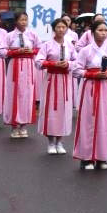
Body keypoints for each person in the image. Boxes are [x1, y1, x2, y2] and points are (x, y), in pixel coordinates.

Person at [72, 21, 107, 170]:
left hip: (106, 88)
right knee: (88, 120)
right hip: (90, 88)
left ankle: (102, 157)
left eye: (106, 30)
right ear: (92, 32)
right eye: (100, 30)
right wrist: (91, 74)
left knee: (105, 121)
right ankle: (86, 158)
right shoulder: (85, 51)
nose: (104, 33)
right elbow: (76, 70)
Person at [36, 18, 75, 155]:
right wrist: (52, 64)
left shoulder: (70, 45)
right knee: (51, 109)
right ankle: (51, 141)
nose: (61, 29)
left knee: (64, 110)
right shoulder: (47, 45)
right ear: (54, 29)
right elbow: (39, 61)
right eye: (58, 27)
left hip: (65, 80)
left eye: (63, 27)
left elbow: (77, 62)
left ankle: (60, 141)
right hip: (51, 80)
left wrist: (68, 64)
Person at [0, 11, 41, 139]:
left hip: (29, 66)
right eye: (21, 19)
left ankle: (24, 125)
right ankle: (14, 125)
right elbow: (1, 51)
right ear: (16, 21)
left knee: (27, 95)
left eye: (26, 19)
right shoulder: (10, 35)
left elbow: (40, 49)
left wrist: (32, 50)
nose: (24, 22)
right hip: (15, 65)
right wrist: (15, 52)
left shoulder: (32, 34)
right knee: (14, 94)